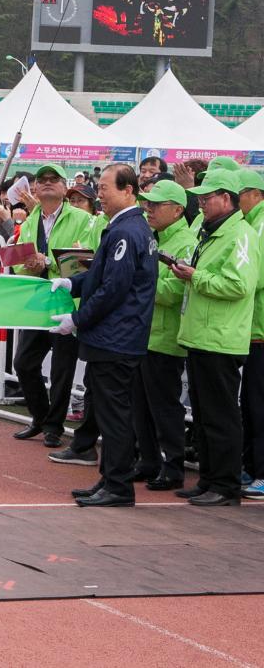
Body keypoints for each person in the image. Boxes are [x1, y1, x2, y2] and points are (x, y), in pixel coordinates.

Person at [49, 164, 157, 507]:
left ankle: (119, 486)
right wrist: (72, 282)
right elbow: (99, 273)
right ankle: (109, 479)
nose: (101, 194)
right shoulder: (122, 228)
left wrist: (77, 318)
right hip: (112, 338)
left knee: (114, 415)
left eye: (107, 187)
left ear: (128, 190)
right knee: (108, 411)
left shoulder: (127, 231)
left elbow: (114, 289)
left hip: (117, 338)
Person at [171, 168, 258, 505]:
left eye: (207, 198)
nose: (202, 203)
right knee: (206, 416)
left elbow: (239, 285)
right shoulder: (213, 232)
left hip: (220, 338)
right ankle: (209, 479)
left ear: (227, 199)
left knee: (220, 416)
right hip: (201, 334)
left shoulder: (241, 235)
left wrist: (196, 276)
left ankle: (225, 485)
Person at [9, 164, 95, 449]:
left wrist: (48, 263)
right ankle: (40, 417)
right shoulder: (31, 219)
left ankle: (54, 426)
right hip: (37, 301)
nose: (46, 184)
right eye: (42, 180)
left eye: (53, 179)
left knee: (62, 368)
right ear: (35, 188)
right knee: (23, 362)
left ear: (64, 186)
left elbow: (86, 262)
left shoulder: (83, 219)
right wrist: (29, 265)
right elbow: (18, 262)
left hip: (67, 302)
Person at [133, 178, 198, 492]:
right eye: (147, 202)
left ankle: (173, 467)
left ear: (177, 209)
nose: (149, 209)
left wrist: (135, 287)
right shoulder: (153, 237)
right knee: (142, 405)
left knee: (164, 406)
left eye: (156, 204)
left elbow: (172, 292)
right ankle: (149, 462)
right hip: (145, 334)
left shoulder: (185, 241)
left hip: (166, 337)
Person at [236, 169, 264, 499]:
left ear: (255, 193)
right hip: (253, 328)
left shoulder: (256, 225)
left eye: (237, 193)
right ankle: (252, 465)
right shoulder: (252, 223)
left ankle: (260, 471)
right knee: (249, 404)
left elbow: (253, 278)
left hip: (259, 328)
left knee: (257, 404)